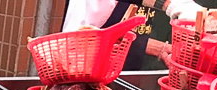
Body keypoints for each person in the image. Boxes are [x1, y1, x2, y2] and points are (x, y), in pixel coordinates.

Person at [62, 0, 206, 69]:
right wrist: (171, 4)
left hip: (132, 69)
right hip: (87, 67)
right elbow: (84, 38)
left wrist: (156, 47)